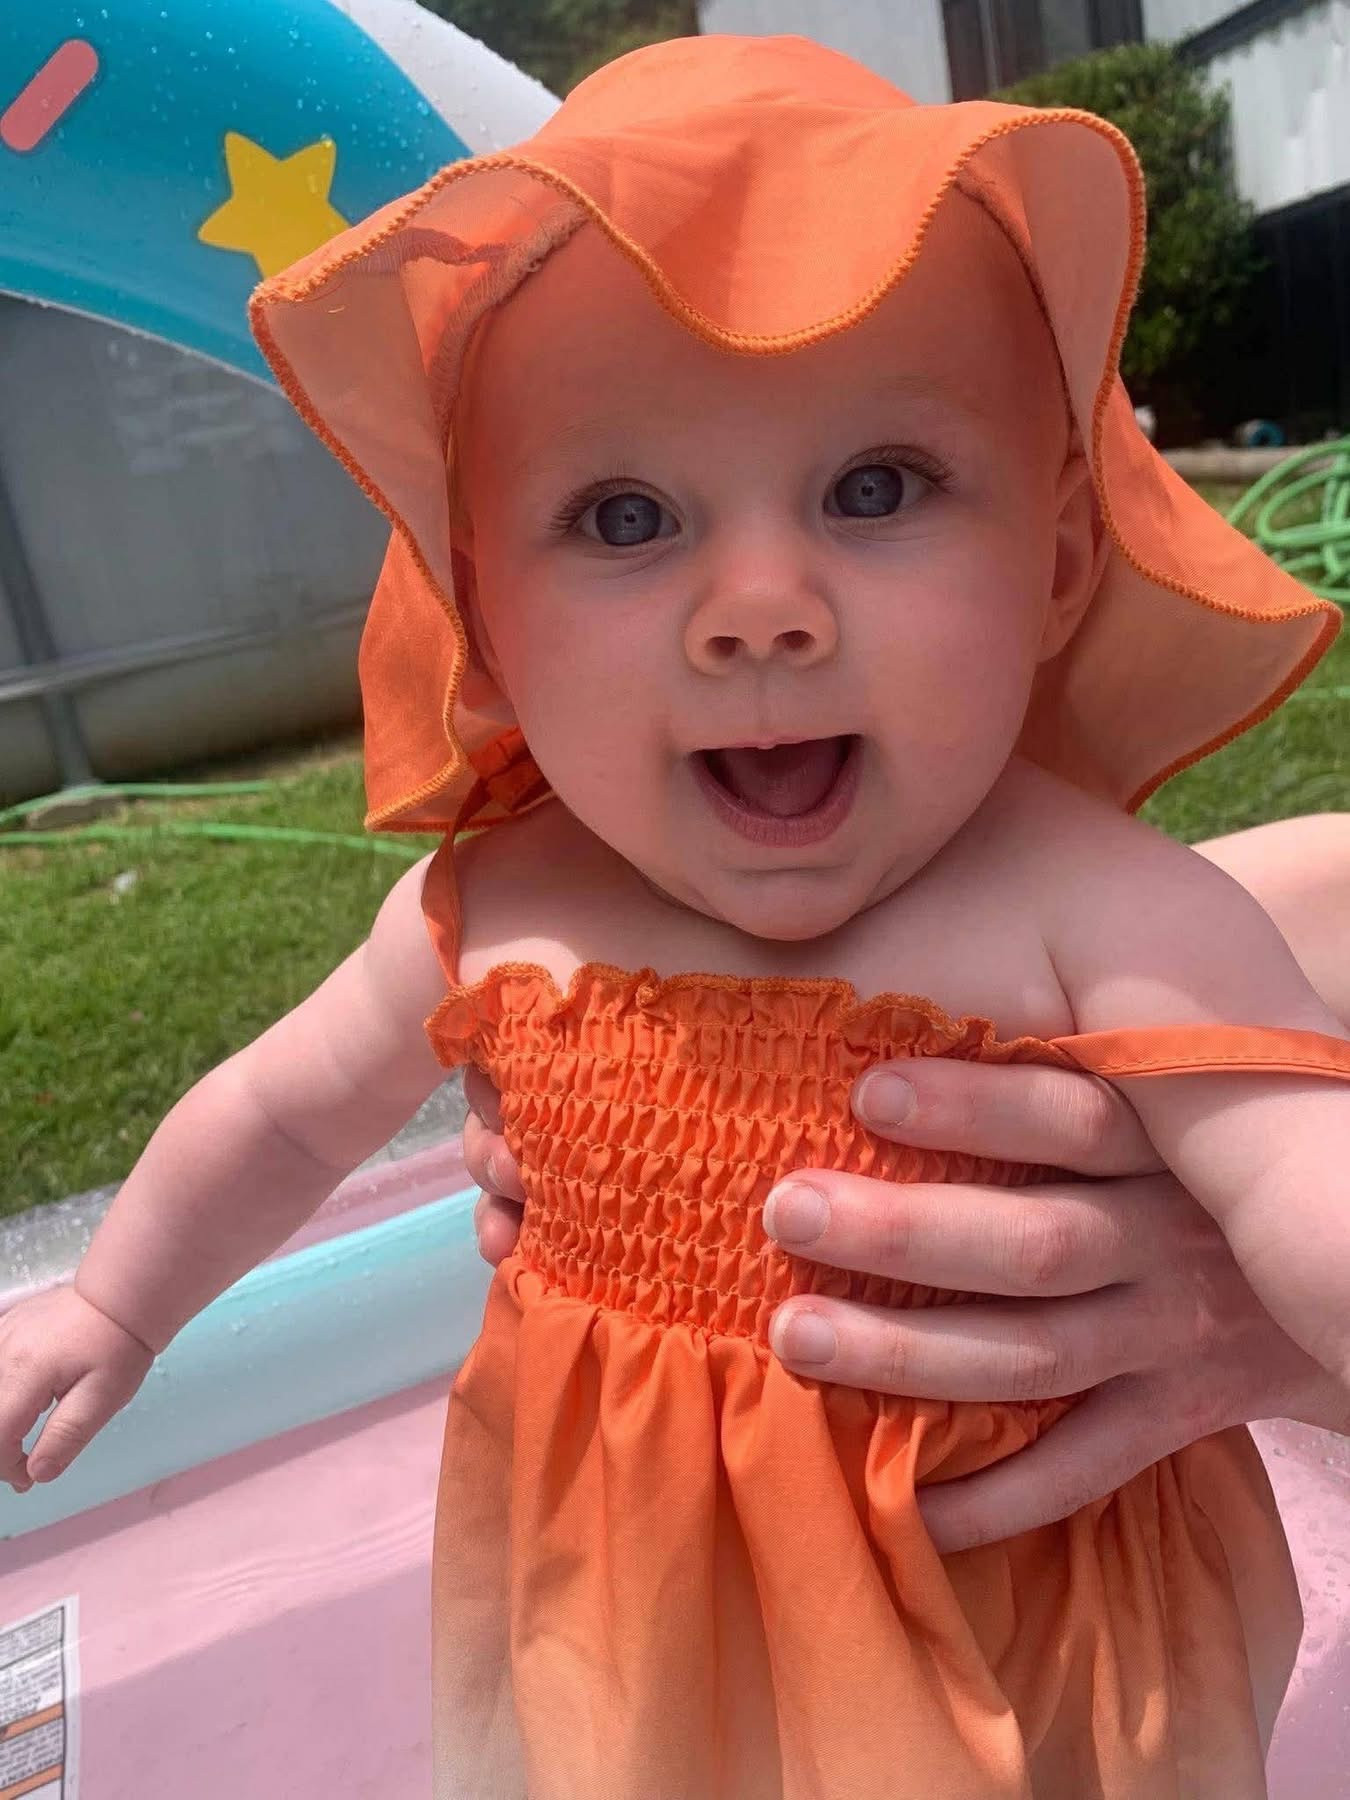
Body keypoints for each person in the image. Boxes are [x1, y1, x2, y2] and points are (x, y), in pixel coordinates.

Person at [3, 32, 1350, 1800]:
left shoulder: (1103, 913)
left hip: (1011, 1642)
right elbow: (278, 1109)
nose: (761, 606)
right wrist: (113, 1309)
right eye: (625, 515)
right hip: (622, 1613)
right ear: (485, 628)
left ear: (1054, 563)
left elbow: (1306, 1184)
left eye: (875, 487)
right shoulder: (499, 905)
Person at [461, 811, 1350, 1557]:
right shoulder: (502, 897)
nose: (760, 648)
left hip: (1010, 1599)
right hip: (617, 1557)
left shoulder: (1109, 909)